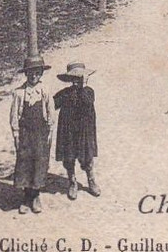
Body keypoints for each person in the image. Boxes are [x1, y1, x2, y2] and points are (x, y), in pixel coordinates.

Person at [10, 55, 54, 214]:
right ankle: (26, 197)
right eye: (30, 73)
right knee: (24, 163)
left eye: (37, 73)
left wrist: (50, 132)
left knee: (39, 163)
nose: (34, 76)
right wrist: (16, 134)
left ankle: (35, 196)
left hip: (41, 133)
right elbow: (14, 116)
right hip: (25, 134)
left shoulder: (45, 90)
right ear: (26, 74)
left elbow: (50, 114)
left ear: (41, 73)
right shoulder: (19, 93)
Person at [53, 62, 100, 201]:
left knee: (87, 156)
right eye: (75, 78)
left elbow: (88, 102)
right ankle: (72, 181)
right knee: (69, 156)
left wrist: (83, 87)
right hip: (68, 130)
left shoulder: (88, 91)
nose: (78, 80)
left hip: (84, 130)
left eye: (81, 77)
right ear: (70, 79)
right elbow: (52, 104)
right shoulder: (65, 93)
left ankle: (91, 180)